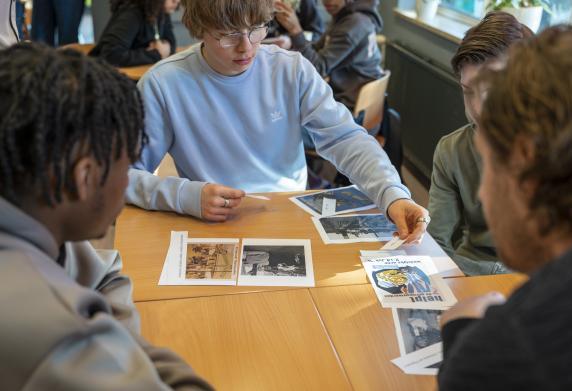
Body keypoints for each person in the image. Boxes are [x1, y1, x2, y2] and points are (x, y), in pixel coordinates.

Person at [0, 42, 212, 390]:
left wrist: (116, 345)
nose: (128, 180)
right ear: (84, 178)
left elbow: (103, 272)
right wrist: (114, 347)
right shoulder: (60, 337)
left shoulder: (36, 226)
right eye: (126, 167)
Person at [126, 0, 428, 244]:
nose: (246, 47)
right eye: (229, 34)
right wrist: (184, 196)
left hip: (290, 213)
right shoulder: (163, 84)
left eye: (256, 29)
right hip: (213, 223)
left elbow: (346, 139)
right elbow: (122, 176)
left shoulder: (291, 68)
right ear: (200, 29)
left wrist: (392, 193)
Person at [438, 25, 572, 389]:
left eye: (490, 165)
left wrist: (463, 334)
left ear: (524, 165)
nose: (482, 192)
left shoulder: (507, 347)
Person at [427, 12, 533, 275]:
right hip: (469, 272)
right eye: (467, 91)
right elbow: (436, 241)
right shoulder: (451, 151)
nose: (477, 109)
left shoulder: (559, 150)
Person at [275, 0, 383, 112]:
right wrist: (294, 40)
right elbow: (317, 49)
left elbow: (317, 68)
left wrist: (295, 31)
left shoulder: (353, 24)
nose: (326, 1)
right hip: (352, 99)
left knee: (284, 113)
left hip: (349, 107)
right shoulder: (348, 17)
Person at [90, 0, 179, 67]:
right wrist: (156, 54)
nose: (177, 0)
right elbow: (111, 55)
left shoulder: (161, 11)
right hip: (112, 81)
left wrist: (165, 49)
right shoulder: (132, 14)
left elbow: (171, 43)